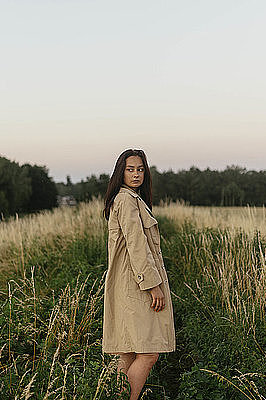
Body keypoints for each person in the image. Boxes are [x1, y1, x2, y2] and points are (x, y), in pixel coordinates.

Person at [102, 149, 175, 400]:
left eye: (140, 169)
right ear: (120, 172)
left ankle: (114, 396)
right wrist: (152, 285)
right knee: (149, 351)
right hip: (136, 285)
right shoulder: (125, 200)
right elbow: (136, 245)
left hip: (128, 284)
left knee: (129, 352)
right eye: (130, 169)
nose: (136, 174)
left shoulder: (131, 199)